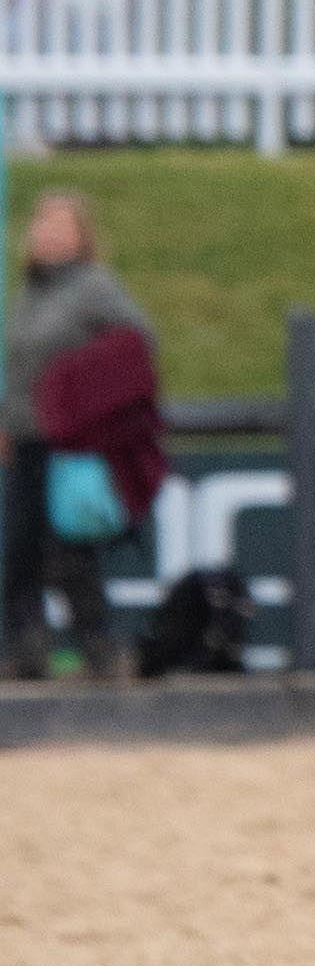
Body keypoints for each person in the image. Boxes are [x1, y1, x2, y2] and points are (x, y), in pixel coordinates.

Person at [4, 190, 159, 682]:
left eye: (61, 226)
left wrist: (84, 395)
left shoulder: (94, 286)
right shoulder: (31, 292)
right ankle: (26, 653)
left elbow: (136, 342)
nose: (49, 234)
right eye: (44, 224)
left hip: (70, 443)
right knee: (21, 551)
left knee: (67, 551)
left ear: (81, 236)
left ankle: (100, 652)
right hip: (27, 438)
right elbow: (21, 368)